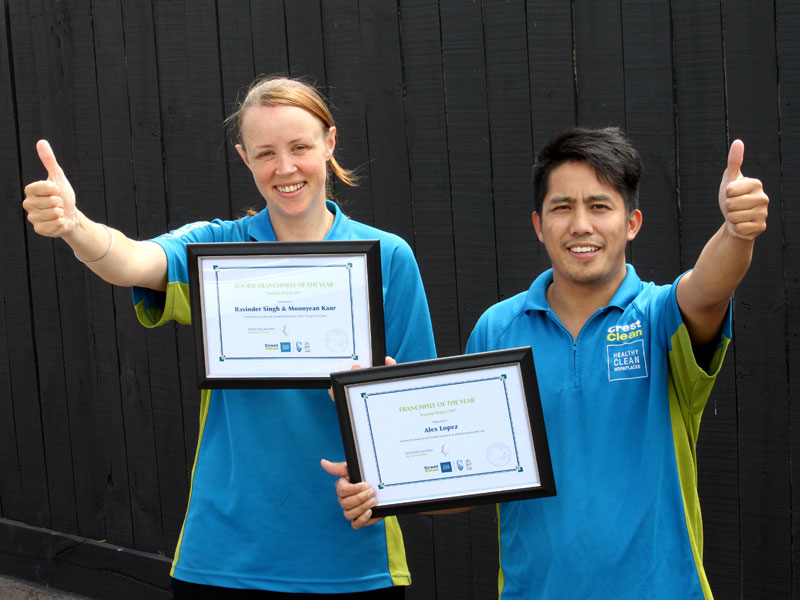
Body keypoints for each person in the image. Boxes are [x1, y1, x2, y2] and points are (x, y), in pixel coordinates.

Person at [22, 76, 436, 599]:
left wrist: (382, 453)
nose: (285, 168)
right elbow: (131, 260)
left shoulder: (389, 257)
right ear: (245, 158)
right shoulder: (217, 251)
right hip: (220, 559)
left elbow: (420, 416)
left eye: (300, 147)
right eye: (265, 153)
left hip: (352, 557)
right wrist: (74, 226)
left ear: (330, 142)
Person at [326, 127, 769, 599]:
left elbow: (709, 288)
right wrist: (384, 480)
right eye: (562, 208)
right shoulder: (498, 329)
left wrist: (735, 233)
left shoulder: (660, 316)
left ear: (632, 222)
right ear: (539, 225)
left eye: (599, 206)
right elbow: (469, 480)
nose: (581, 225)